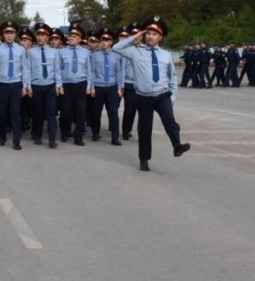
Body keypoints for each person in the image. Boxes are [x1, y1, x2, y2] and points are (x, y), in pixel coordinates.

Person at [112, 16, 191, 171]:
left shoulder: (166, 54)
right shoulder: (135, 52)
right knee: (145, 129)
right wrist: (134, 36)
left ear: (160, 37)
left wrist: (173, 94)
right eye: (148, 33)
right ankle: (144, 159)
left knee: (170, 120)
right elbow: (116, 48)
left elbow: (172, 76)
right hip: (143, 96)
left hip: (162, 95)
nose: (150, 36)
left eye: (155, 34)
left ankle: (177, 145)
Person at [0, 21, 29, 149]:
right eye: (7, 32)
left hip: (16, 85)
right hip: (2, 85)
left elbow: (24, 69)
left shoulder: (21, 50)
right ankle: (2, 137)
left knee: (15, 113)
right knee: (2, 112)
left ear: (15, 34)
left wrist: (25, 86)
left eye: (12, 32)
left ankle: (16, 141)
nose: (9, 35)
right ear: (3, 34)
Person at [23, 22, 61, 148]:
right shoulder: (30, 52)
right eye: (38, 34)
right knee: (37, 113)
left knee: (51, 113)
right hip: (36, 85)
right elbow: (27, 70)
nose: (40, 37)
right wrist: (28, 86)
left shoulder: (54, 52)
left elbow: (57, 70)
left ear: (48, 37)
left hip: (50, 85)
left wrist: (58, 85)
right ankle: (38, 136)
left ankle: (51, 139)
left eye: (43, 35)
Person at [58, 23, 93, 146]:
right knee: (65, 111)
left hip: (81, 84)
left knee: (81, 111)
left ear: (79, 39)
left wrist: (89, 86)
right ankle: (65, 132)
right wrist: (59, 85)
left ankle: (78, 136)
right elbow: (58, 70)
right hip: (67, 85)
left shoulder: (86, 52)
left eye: (74, 36)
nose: (71, 38)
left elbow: (89, 71)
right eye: (70, 35)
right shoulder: (61, 52)